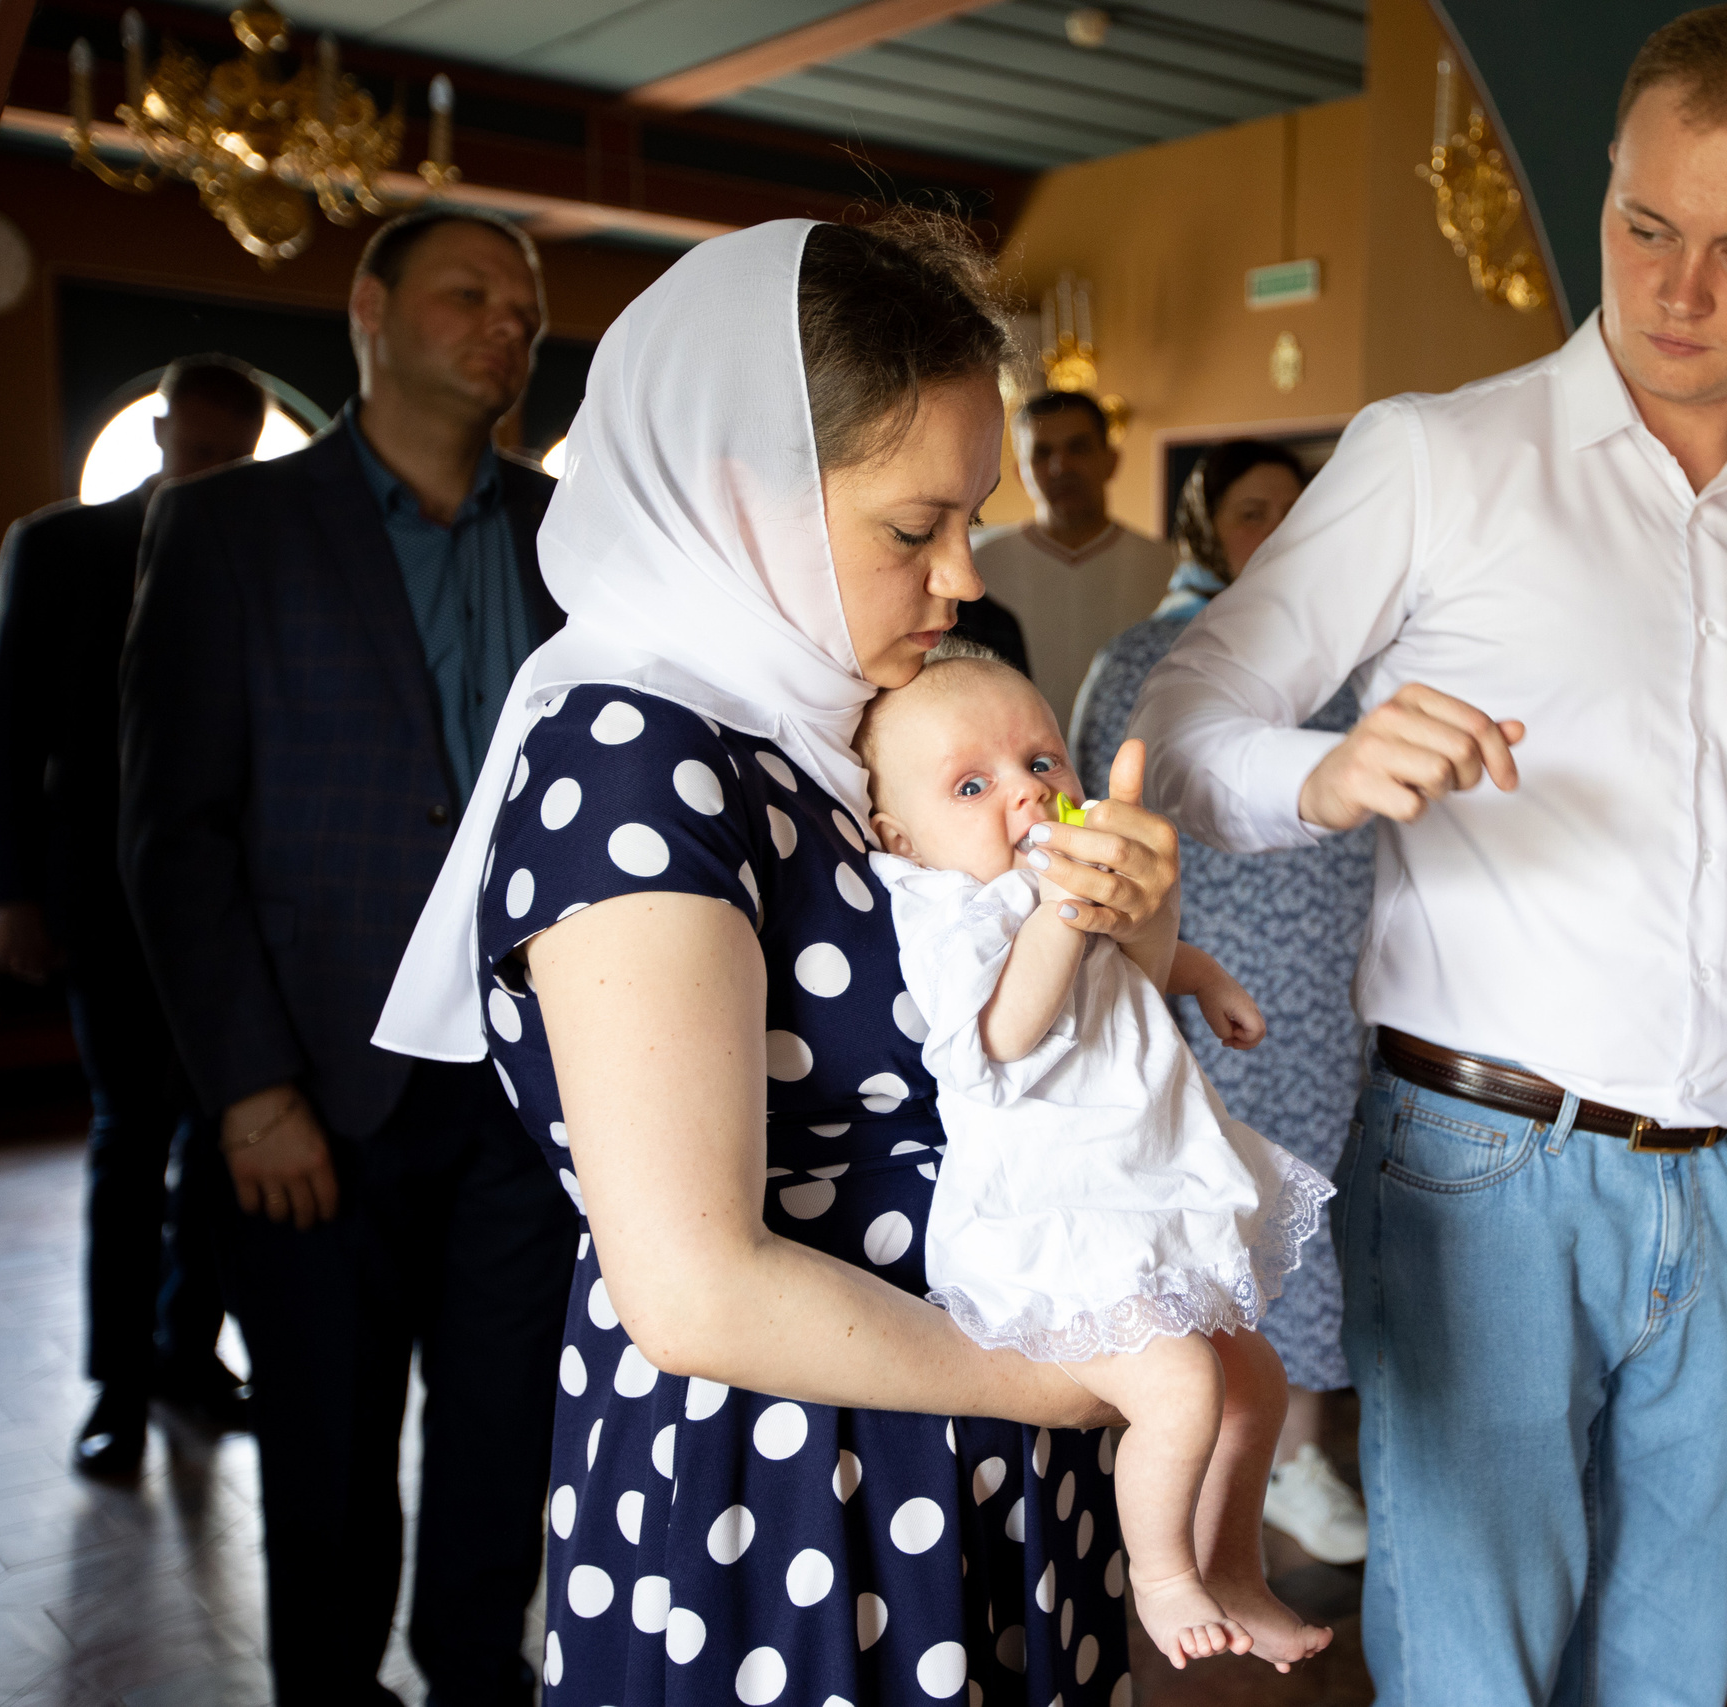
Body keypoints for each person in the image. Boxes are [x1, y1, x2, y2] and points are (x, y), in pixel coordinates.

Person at [1130, 7, 1727, 1700]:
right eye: (1644, 224)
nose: (1676, 288)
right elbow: (1179, 727)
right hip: (1476, 1165)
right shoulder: (1438, 458)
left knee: (1673, 1665)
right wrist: (1324, 769)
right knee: (1475, 1672)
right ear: (1607, 184)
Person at [373, 215, 1158, 1706]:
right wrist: (1076, 1378)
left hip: (966, 1435)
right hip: (801, 1483)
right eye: (914, 529)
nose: (962, 574)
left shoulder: (827, 720)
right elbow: (694, 1288)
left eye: (972, 518)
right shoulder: (631, 750)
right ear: (745, 495)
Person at [121, 211, 576, 1705]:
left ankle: (474, 1670)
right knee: (324, 1435)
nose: (507, 325)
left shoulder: (571, 539)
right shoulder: (230, 529)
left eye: (524, 309)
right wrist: (248, 1089)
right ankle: (328, 1688)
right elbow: (176, 833)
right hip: (317, 1079)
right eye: (469, 293)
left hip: (531, 1071)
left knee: (505, 1416)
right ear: (369, 308)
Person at [856, 645, 1335, 1670]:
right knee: (1180, 1387)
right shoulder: (947, 910)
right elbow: (1003, 1034)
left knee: (1254, 1376)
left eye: (1042, 763)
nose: (1027, 793)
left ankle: (1235, 1569)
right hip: (1053, 1228)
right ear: (900, 834)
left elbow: (1126, 961)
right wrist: (1061, 911)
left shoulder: (1052, 885)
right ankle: (1160, 1577)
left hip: (1138, 1195)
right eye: (973, 786)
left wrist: (1201, 975)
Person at [1072, 439, 1374, 1566]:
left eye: (1296, 512)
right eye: (1253, 512)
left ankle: (1299, 1460)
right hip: (1194, 986)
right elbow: (1094, 817)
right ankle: (1184, 1459)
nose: (1277, 533)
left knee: (1307, 1220)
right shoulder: (1142, 656)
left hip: (1326, 995)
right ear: (1205, 529)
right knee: (1197, 1215)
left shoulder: (1352, 664)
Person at [0, 354, 261, 1477]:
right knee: (129, 1136)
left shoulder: (250, 552)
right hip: (98, 897)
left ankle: (188, 1354)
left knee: (223, 1137)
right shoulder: (58, 545)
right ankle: (119, 1387)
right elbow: (2, 731)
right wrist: (11, 894)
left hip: (228, 900)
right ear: (160, 431)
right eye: (197, 449)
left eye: (230, 457)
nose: (209, 469)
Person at [972, 390, 1176, 728]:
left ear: (1111, 461)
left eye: (1078, 448)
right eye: (1042, 453)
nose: (1060, 467)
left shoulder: (1168, 567)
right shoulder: (980, 568)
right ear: (1021, 473)